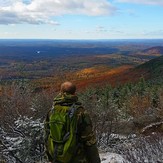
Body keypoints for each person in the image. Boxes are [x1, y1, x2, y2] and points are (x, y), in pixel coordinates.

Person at [44, 81, 101, 163]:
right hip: (76, 158)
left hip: (57, 157)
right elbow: (89, 140)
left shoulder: (52, 111)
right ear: (74, 93)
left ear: (61, 92)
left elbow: (46, 136)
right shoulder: (80, 112)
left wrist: (50, 158)